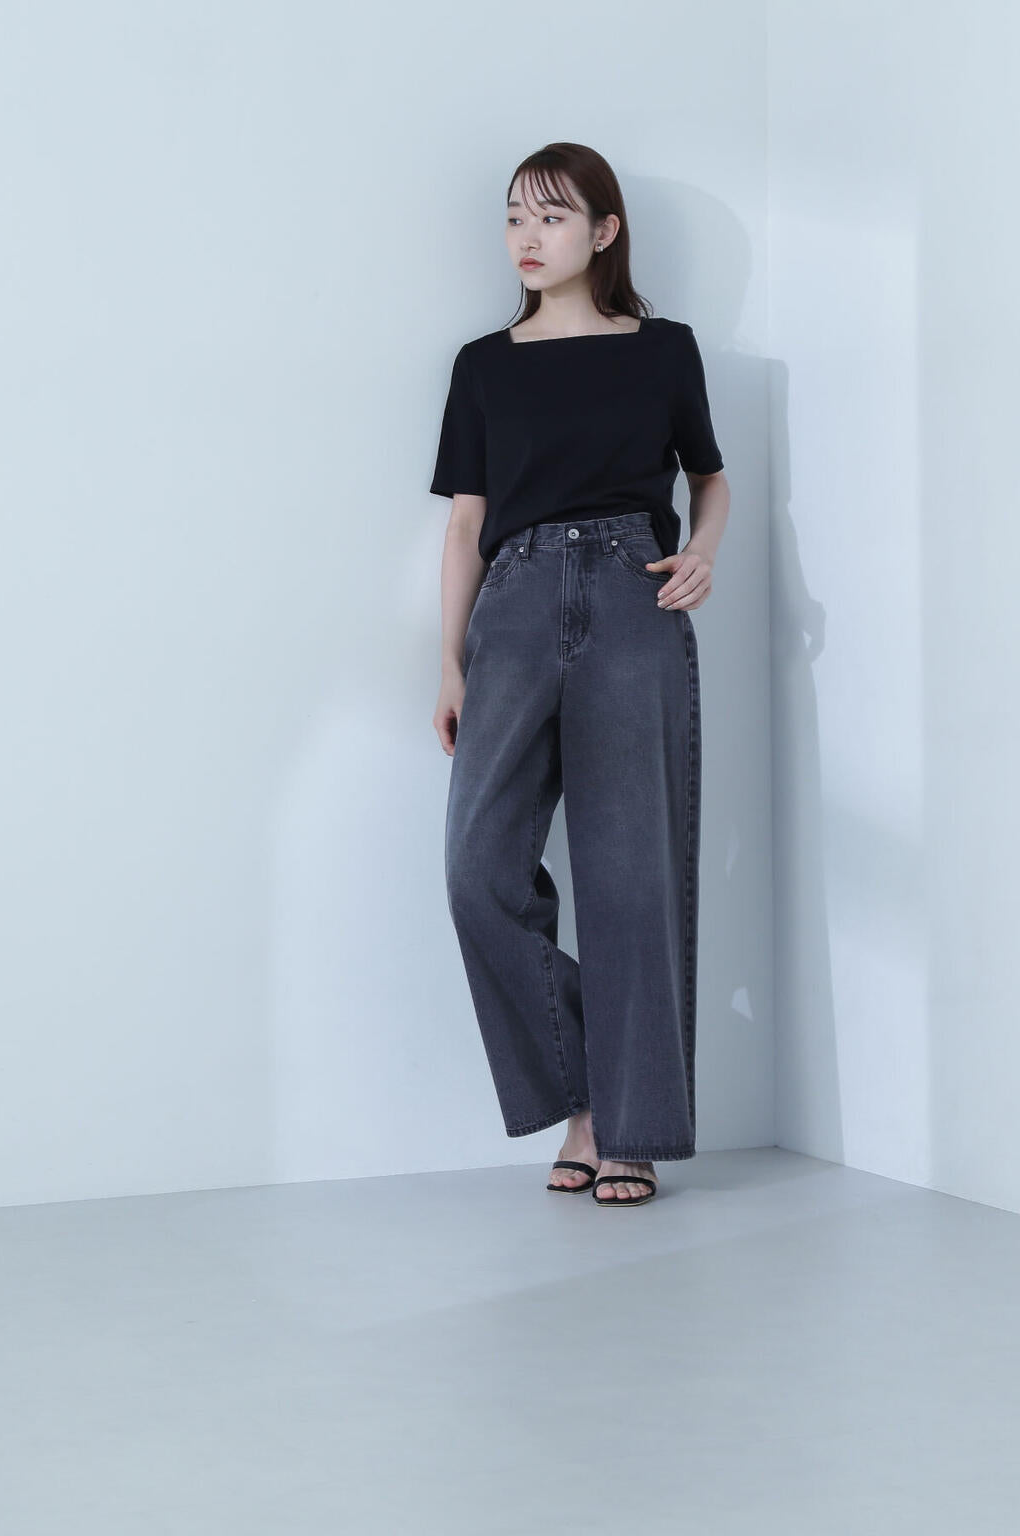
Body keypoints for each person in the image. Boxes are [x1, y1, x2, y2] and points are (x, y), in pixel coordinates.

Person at [429, 142, 730, 1208]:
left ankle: (625, 1130)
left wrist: (702, 550)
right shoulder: (483, 365)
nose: (526, 236)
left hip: (632, 597)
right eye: (515, 215)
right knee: (478, 871)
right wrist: (450, 661)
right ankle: (588, 1094)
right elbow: (465, 524)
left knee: (630, 874)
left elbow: (710, 478)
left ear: (603, 232)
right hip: (511, 607)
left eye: (551, 217)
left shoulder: (662, 350)